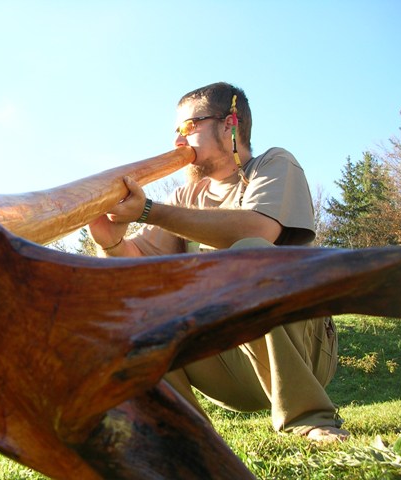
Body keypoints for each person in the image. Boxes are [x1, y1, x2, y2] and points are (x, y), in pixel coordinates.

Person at [87, 82, 349, 442]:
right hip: (229, 366)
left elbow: (258, 227)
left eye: (187, 127)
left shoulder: (273, 164)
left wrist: (149, 210)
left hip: (303, 351)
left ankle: (309, 417)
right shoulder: (186, 196)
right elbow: (136, 266)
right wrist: (111, 239)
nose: (179, 141)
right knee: (139, 305)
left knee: (249, 249)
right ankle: (186, 438)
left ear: (229, 124)